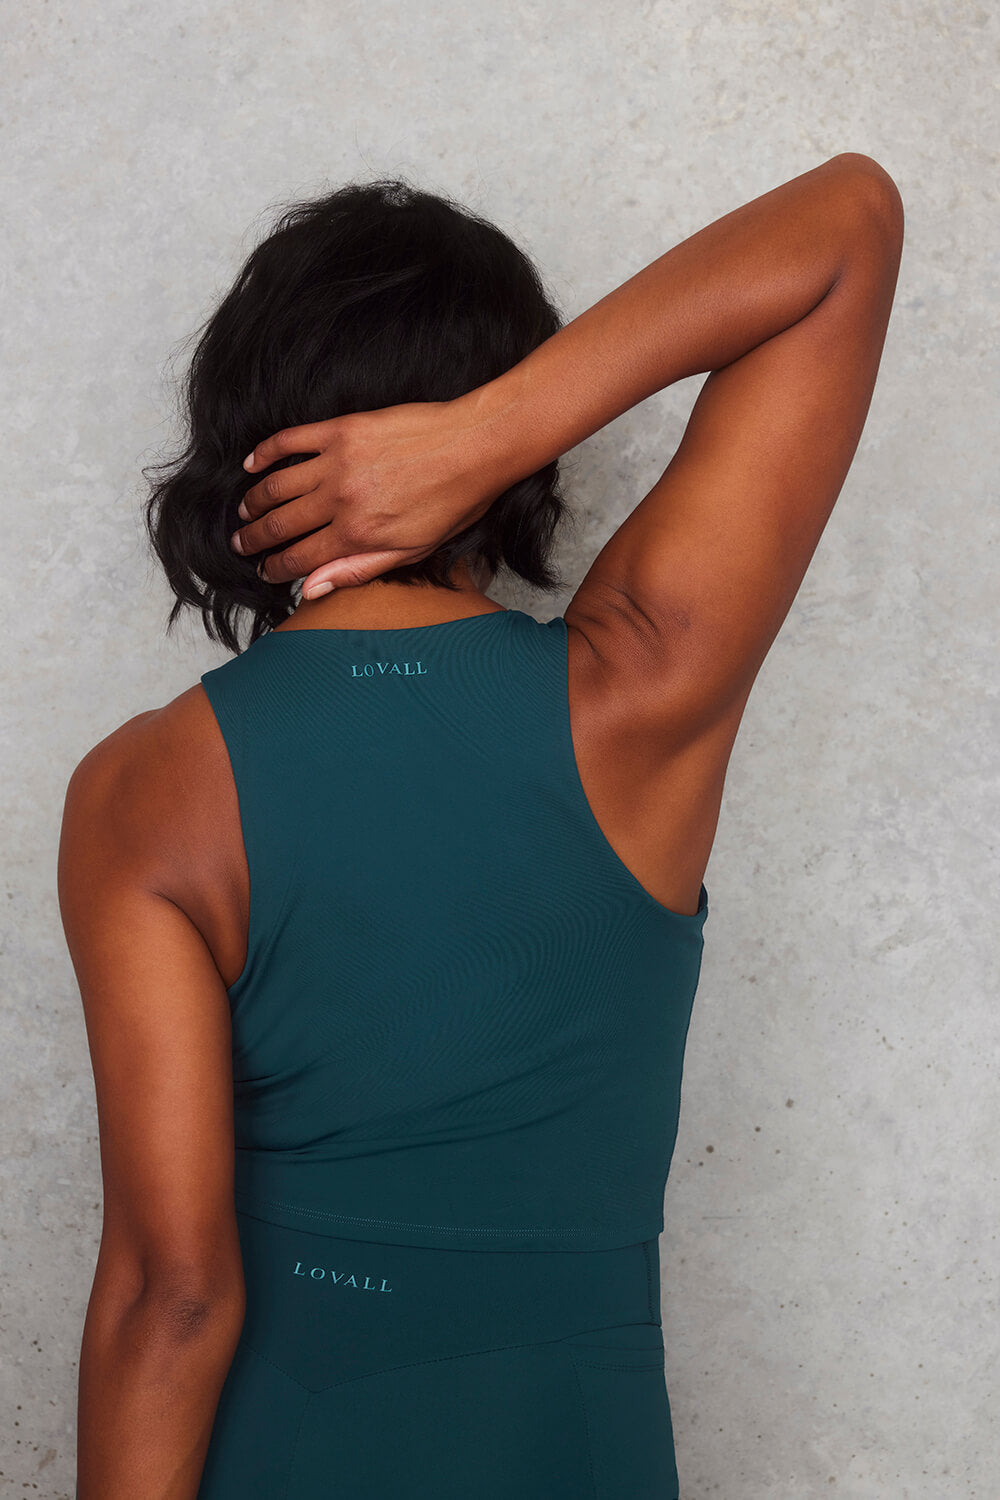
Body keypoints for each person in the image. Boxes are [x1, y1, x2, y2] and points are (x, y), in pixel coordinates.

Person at [58, 154, 903, 1499]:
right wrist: (487, 434)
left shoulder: (140, 790)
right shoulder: (638, 691)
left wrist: (463, 437)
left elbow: (173, 1294)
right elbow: (848, 225)